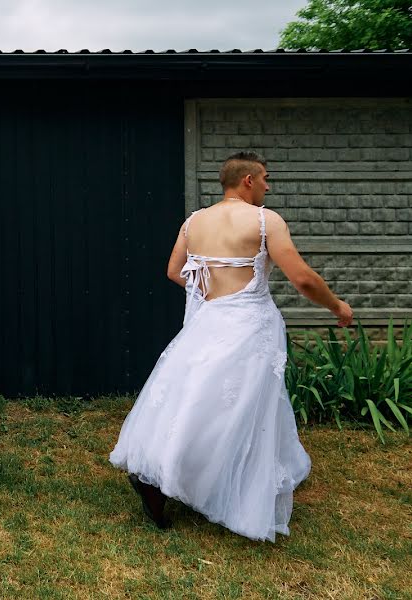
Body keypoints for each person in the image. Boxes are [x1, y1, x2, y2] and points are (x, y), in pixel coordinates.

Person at [109, 151, 353, 542]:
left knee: (191, 398)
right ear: (248, 181)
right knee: (240, 407)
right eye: (266, 178)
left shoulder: (195, 221)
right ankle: (220, 483)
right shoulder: (264, 220)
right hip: (249, 327)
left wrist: (210, 296)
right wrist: (338, 306)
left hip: (208, 322)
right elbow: (303, 279)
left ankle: (157, 472)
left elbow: (174, 271)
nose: (269, 186)